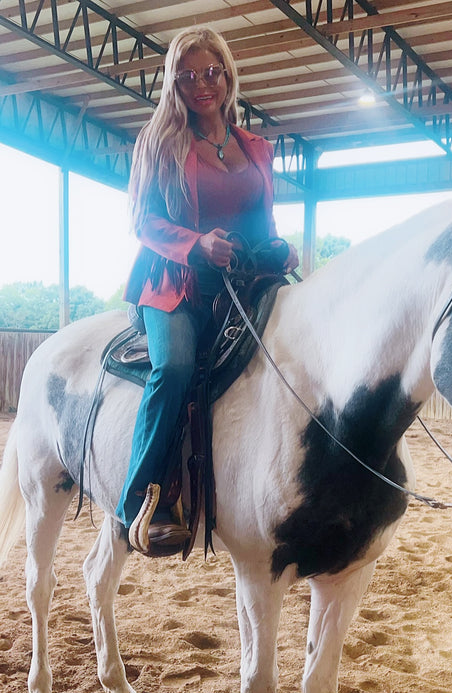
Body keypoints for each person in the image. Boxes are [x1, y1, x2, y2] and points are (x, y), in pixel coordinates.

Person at [115, 24, 298, 555]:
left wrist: (278, 248)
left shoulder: (256, 146)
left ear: (227, 76)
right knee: (173, 368)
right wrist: (196, 244)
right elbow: (143, 222)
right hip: (174, 282)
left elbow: (262, 221)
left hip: (245, 282)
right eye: (188, 75)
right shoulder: (160, 142)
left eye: (211, 72)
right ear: (174, 82)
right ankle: (140, 500)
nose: (202, 85)